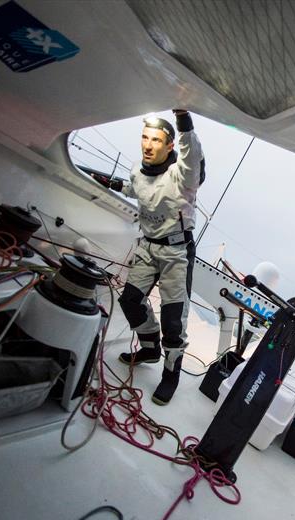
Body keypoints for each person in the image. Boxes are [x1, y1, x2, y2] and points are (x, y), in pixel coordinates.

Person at [101, 109, 204, 405]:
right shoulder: (138, 169)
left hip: (176, 253)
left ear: (170, 146)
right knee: (130, 301)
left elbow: (192, 154)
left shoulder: (182, 176)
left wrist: (184, 119)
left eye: (156, 140)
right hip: (148, 247)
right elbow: (135, 188)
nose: (148, 145)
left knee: (173, 321)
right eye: (144, 138)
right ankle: (149, 348)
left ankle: (171, 375)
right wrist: (112, 183)